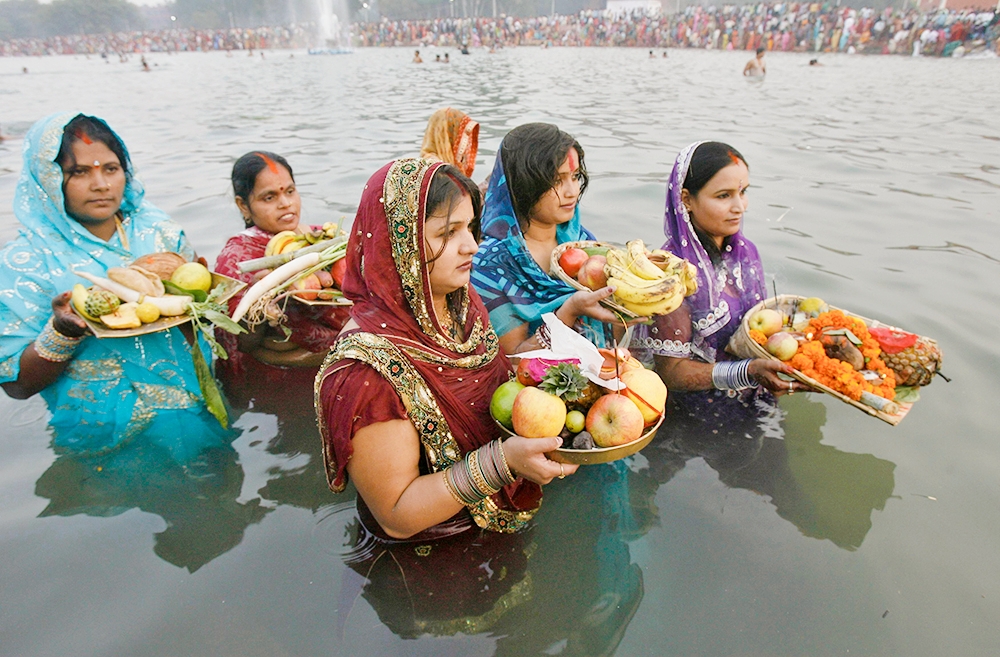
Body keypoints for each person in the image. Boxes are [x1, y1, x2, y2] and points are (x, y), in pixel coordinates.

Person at [316, 158, 574, 541]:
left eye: (469, 228)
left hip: (497, 528)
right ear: (399, 244)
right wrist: (503, 462)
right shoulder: (364, 371)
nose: (471, 246)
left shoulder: (459, 303)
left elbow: (497, 382)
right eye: (447, 233)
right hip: (430, 558)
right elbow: (396, 515)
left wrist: (570, 349)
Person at [0, 113, 229, 460]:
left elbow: (205, 324)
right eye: (78, 172)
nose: (101, 184)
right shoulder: (26, 262)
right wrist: (62, 331)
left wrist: (207, 301)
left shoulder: (160, 233)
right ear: (48, 179)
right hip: (100, 437)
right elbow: (17, 385)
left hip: (194, 413)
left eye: (110, 168)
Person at [634, 142, 805, 407]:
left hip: (757, 400)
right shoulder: (671, 274)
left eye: (743, 192)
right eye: (724, 196)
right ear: (686, 199)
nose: (740, 207)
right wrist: (746, 372)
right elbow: (670, 374)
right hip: (695, 420)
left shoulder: (746, 253)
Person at [471, 123, 621, 354]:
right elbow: (512, 360)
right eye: (557, 180)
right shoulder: (491, 263)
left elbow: (608, 333)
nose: (572, 191)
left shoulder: (582, 242)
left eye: (575, 176)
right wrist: (568, 312)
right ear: (523, 184)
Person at [214, 151, 349, 372]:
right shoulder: (237, 258)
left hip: (337, 361)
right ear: (243, 205)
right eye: (269, 197)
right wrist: (263, 300)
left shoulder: (325, 238)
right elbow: (242, 342)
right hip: (277, 377)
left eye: (290, 191)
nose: (285, 203)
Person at [418, 107, 480, 179]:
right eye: (461, 135)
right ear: (449, 134)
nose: (465, 144)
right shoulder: (436, 168)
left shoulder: (443, 162)